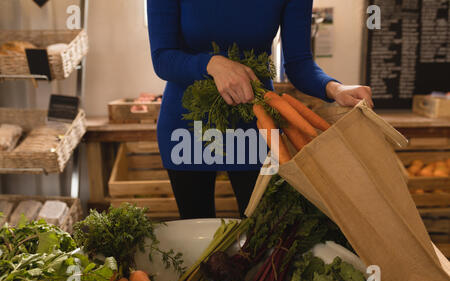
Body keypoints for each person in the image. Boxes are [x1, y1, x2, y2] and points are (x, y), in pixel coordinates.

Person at [147, 0, 373, 219]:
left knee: (260, 237)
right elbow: (163, 57)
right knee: (194, 230)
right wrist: (212, 64)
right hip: (188, 125)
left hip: (256, 123)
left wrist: (335, 89)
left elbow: (299, 63)